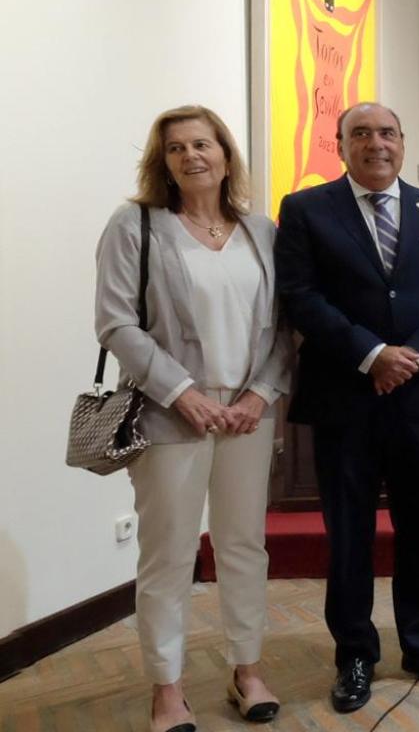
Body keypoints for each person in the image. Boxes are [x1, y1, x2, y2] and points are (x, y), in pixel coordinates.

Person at [96, 105, 293, 732]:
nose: (191, 156)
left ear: (225, 155)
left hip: (247, 415)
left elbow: (283, 327)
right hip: (170, 414)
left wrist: (260, 393)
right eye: (176, 148)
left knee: (243, 544)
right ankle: (167, 688)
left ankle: (247, 671)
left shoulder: (260, 230)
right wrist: (184, 393)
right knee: (169, 553)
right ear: (163, 162)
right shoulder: (136, 225)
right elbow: (116, 323)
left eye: (202, 144)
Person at [274, 103, 419, 713]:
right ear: (340, 146)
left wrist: (414, 355)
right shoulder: (305, 210)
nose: (375, 143)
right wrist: (371, 354)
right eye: (360, 134)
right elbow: (301, 295)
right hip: (344, 397)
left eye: (386, 133)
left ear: (402, 143)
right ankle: (355, 653)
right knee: (348, 534)